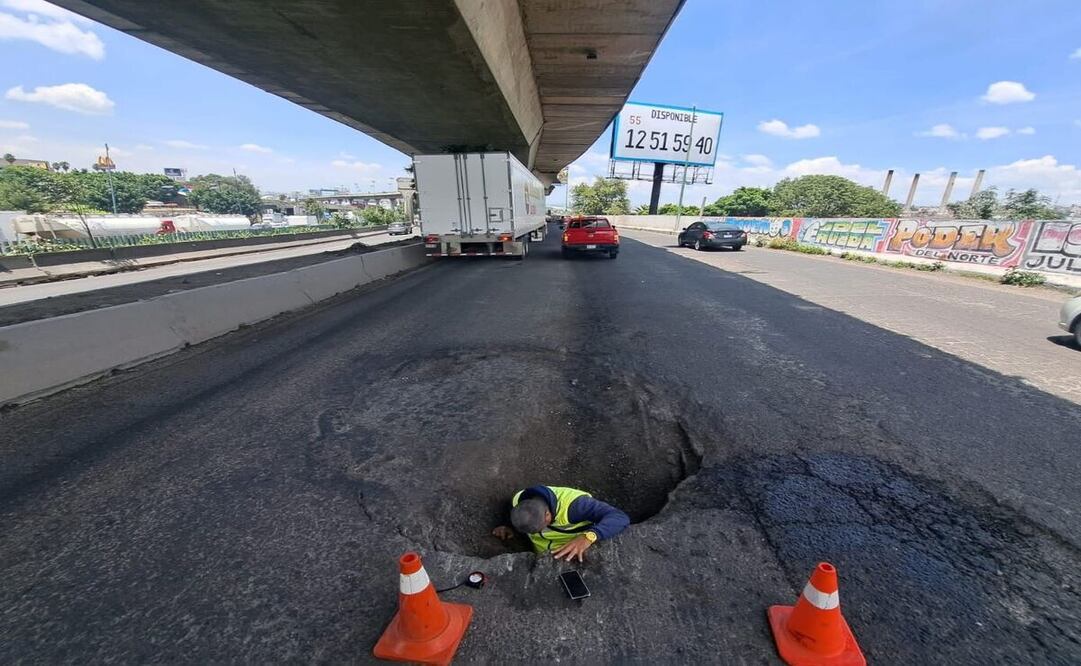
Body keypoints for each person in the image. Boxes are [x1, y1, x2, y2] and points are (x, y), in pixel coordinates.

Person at [491, 485, 630, 562]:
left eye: (541, 528)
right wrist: (510, 528)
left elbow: (619, 517)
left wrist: (588, 537)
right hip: (541, 553)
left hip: (569, 550)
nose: (540, 531)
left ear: (547, 514)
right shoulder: (518, 500)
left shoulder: (577, 506)